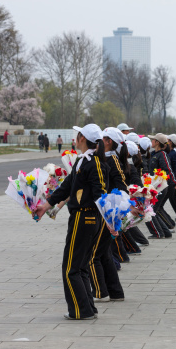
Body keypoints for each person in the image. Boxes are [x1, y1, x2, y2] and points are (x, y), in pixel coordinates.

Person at [33, 123, 108, 320]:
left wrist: (111, 221)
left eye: (78, 134)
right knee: (80, 266)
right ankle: (87, 309)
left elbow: (102, 194)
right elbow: (67, 186)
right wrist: (46, 205)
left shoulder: (95, 163)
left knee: (71, 268)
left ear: (83, 138)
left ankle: (80, 311)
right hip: (82, 218)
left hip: (86, 218)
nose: (76, 137)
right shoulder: (82, 161)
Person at [89, 127, 127, 302]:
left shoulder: (112, 160)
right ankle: (115, 292)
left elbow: (121, 186)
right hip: (103, 210)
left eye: (101, 139)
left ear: (108, 141)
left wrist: (115, 214)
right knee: (103, 253)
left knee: (94, 254)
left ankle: (100, 292)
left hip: (107, 212)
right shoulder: (104, 158)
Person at [146, 133, 176, 238]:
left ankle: (158, 233)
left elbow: (168, 170)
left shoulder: (162, 154)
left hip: (161, 187)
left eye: (153, 140)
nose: (151, 142)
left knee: (151, 210)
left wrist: (174, 183)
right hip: (154, 186)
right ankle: (166, 232)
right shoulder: (154, 154)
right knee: (154, 210)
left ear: (157, 142)